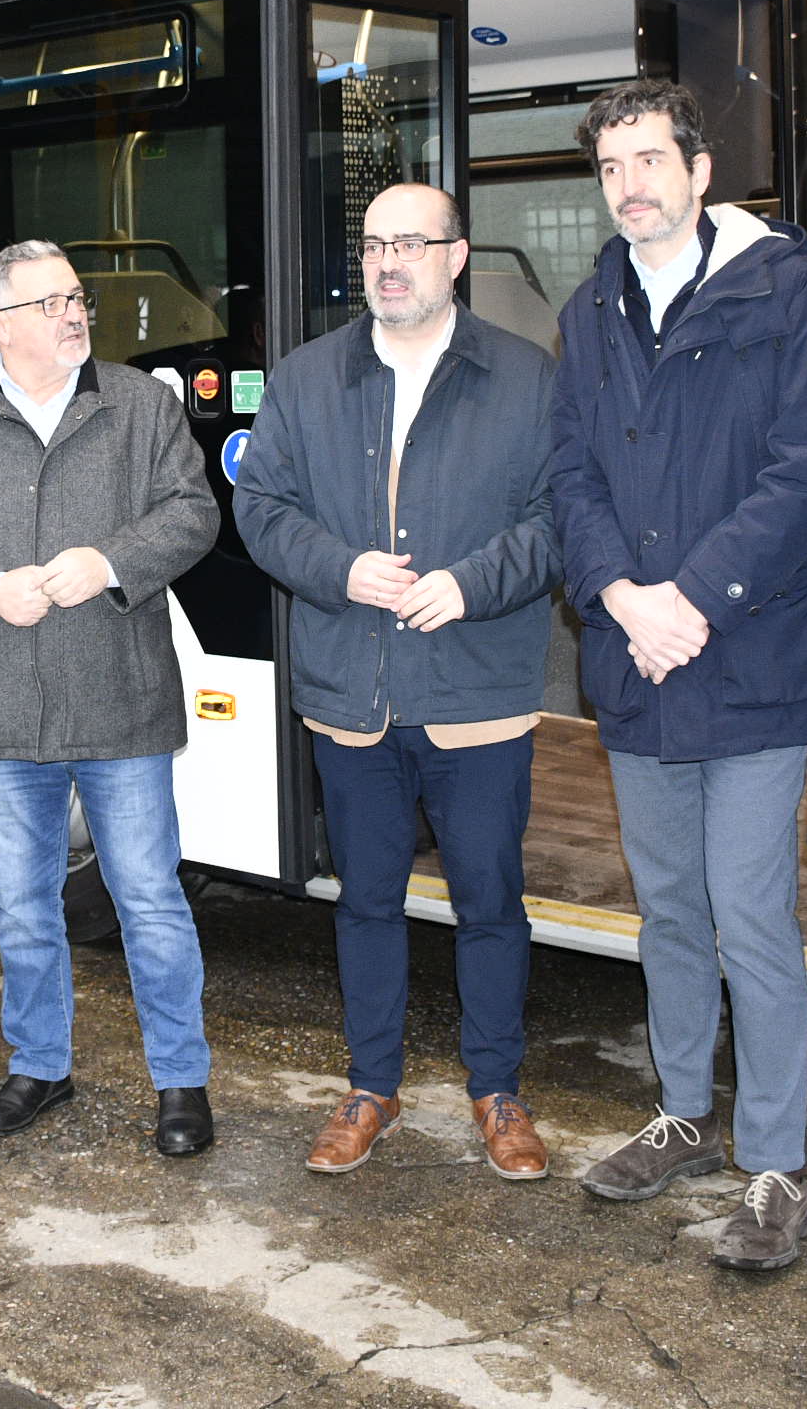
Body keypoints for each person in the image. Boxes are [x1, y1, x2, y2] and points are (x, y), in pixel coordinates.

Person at [551, 80, 807, 1270]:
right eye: (611, 166)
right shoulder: (591, 309)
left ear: (699, 167)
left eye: (647, 159)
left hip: (753, 656)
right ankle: (682, 1109)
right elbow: (569, 473)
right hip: (636, 662)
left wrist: (693, 598)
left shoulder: (784, 287)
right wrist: (621, 596)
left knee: (751, 913)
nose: (630, 183)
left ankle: (774, 1164)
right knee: (668, 909)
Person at [236, 181, 561, 1180]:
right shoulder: (306, 377)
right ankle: (369, 1084)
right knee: (366, 898)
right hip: (354, 696)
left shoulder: (526, 378)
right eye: (376, 243)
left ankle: (497, 1090)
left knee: (491, 900)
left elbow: (560, 521)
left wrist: (471, 583)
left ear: (458, 256)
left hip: (478, 692)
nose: (390, 261)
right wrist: (339, 567)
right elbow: (262, 506)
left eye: (412, 243)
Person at [0, 239, 222, 1155]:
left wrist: (110, 562)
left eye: (76, 298)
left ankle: (182, 1081)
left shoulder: (142, 403)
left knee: (149, 899)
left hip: (122, 698)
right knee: (26, 905)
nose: (73, 315)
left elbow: (193, 514)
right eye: (48, 304)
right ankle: (40, 1065)